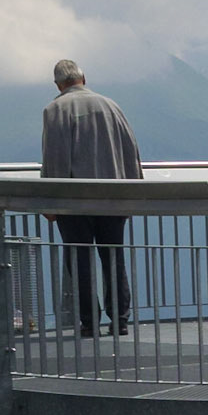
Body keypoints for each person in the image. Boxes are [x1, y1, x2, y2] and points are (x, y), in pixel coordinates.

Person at [41, 59, 143, 336]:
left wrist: (50, 202)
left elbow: (55, 159)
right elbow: (130, 149)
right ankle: (120, 319)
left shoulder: (55, 110)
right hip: (113, 197)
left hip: (73, 202)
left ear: (58, 84)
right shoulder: (111, 105)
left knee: (80, 259)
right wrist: (133, 192)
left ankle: (90, 321)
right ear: (83, 79)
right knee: (113, 256)